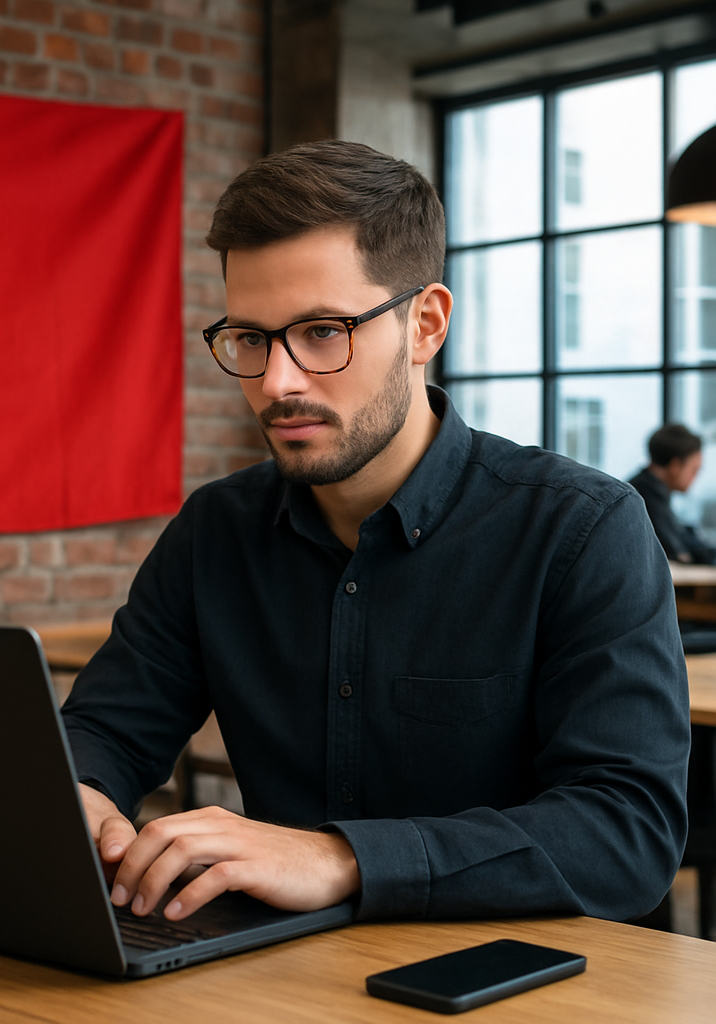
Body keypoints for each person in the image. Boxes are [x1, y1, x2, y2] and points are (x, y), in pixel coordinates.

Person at [61, 140, 689, 927]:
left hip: (527, 975)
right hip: (278, 969)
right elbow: (106, 729)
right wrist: (80, 796)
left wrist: (342, 859)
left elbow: (627, 833)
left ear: (425, 325)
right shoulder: (215, 531)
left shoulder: (582, 528)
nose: (277, 382)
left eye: (323, 331)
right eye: (250, 338)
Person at [629, 424, 716, 564]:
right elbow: (677, 553)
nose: (695, 477)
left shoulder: (647, 490)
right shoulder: (646, 499)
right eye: (694, 470)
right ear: (675, 466)